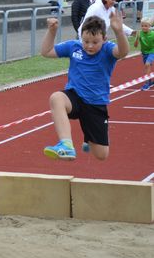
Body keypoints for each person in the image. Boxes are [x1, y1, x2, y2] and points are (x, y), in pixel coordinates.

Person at [41, 12, 129, 161]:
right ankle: (66, 145)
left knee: (101, 155)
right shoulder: (74, 47)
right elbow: (46, 52)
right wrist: (52, 31)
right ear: (80, 37)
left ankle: (89, 138)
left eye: (95, 42)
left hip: (95, 104)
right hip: (74, 97)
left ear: (104, 39)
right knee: (56, 98)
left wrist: (119, 32)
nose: (89, 46)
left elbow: (123, 52)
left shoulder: (108, 49)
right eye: (86, 41)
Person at [133, 17, 154, 90]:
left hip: (152, 51)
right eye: (142, 26)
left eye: (146, 26)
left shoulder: (153, 34)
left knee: (147, 64)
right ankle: (149, 81)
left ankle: (147, 84)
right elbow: (135, 46)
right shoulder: (140, 33)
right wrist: (137, 38)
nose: (144, 27)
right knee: (147, 67)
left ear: (149, 26)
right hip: (144, 53)